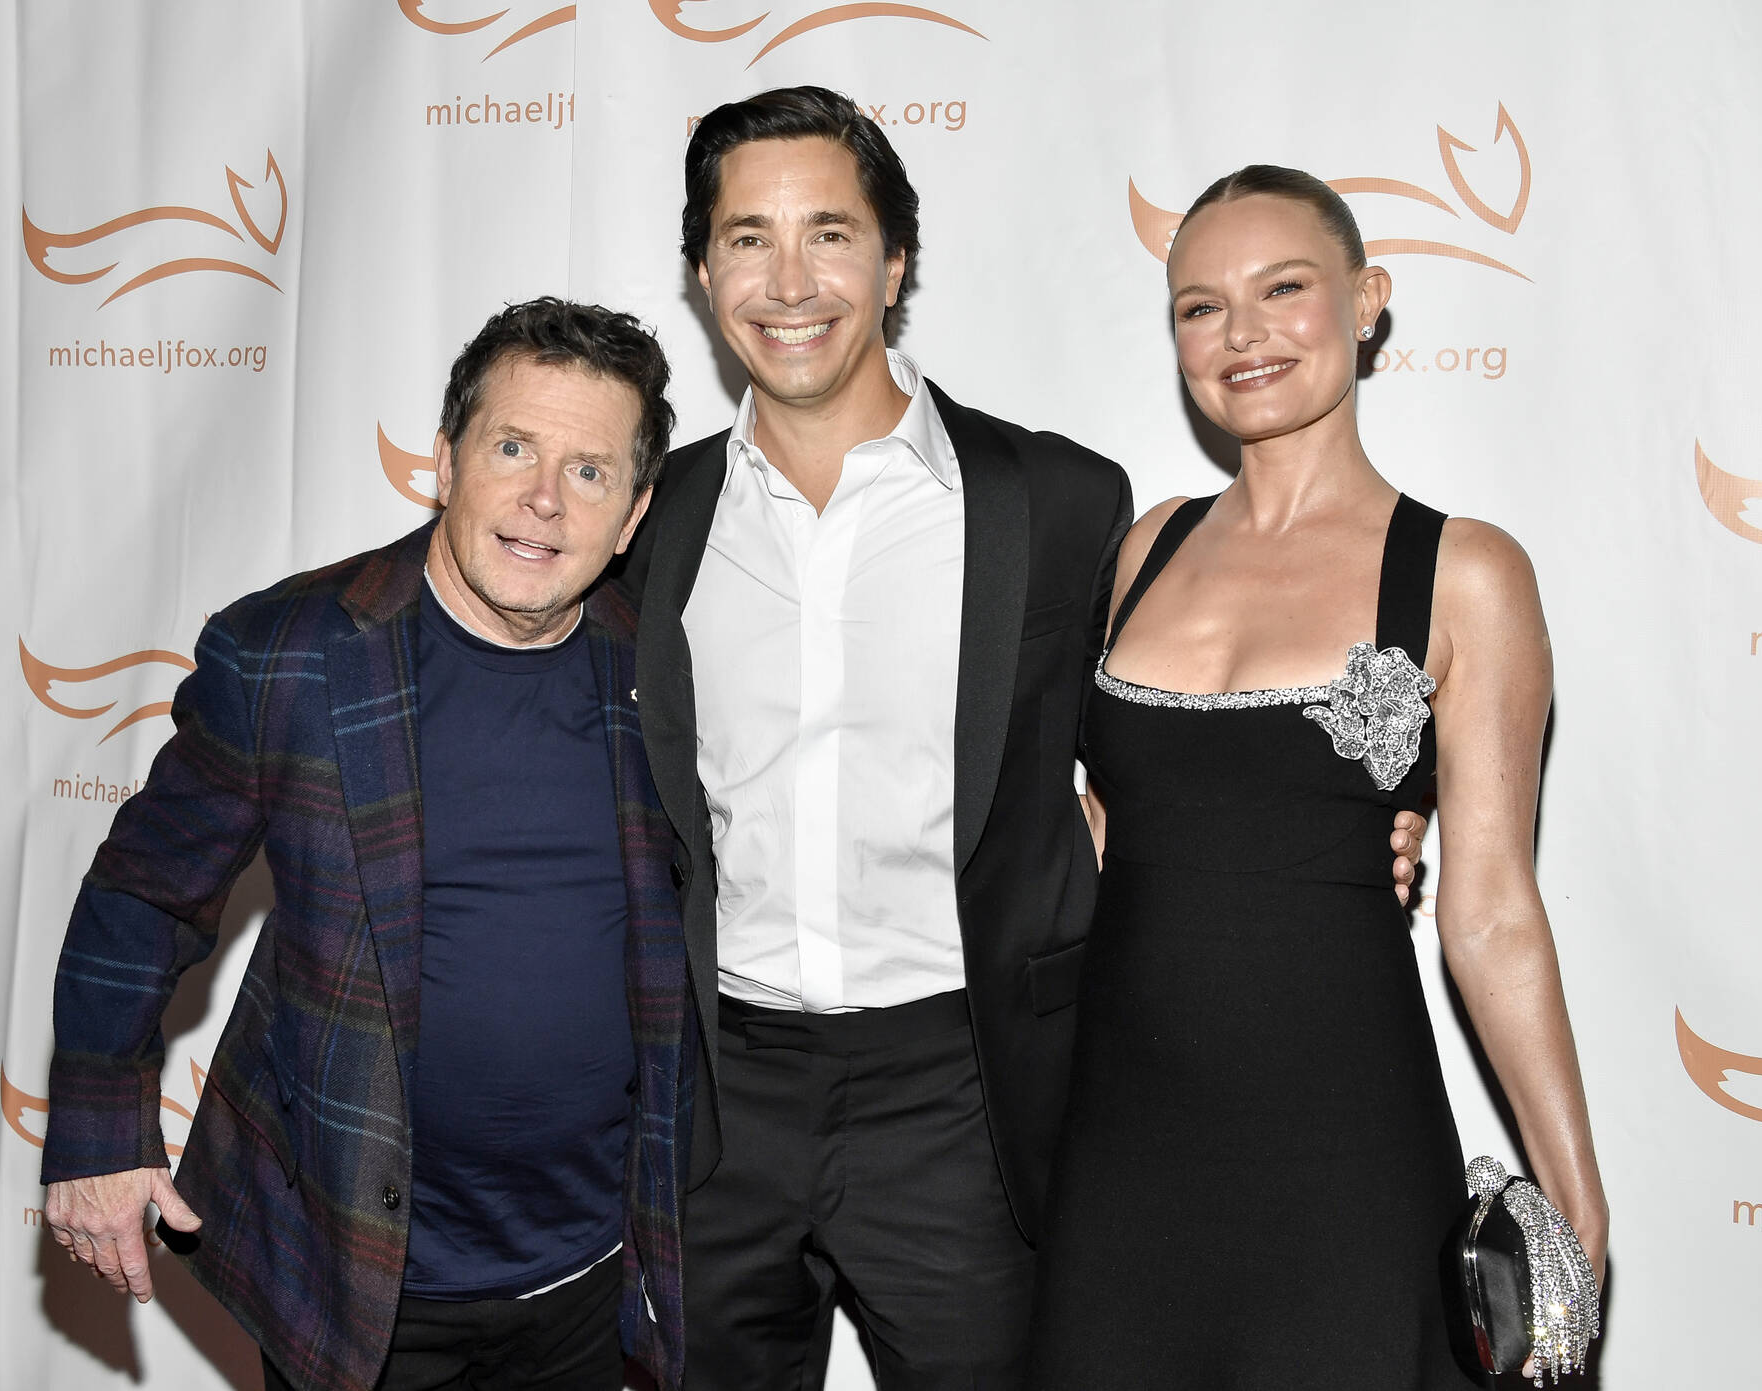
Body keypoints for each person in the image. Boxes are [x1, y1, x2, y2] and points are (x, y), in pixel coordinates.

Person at [621, 93, 1429, 1390]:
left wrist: (1371, 802)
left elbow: (1167, 738)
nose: (788, 280)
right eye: (745, 238)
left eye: (828, 233)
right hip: (718, 1093)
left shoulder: (1061, 504)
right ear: (704, 269)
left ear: (893, 261)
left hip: (966, 1096)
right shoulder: (652, 518)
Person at [38, 298, 695, 1391]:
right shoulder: (291, 653)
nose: (543, 497)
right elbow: (142, 892)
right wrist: (99, 1129)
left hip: (593, 1270)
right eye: (514, 447)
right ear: (447, 461)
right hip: (355, 1276)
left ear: (630, 517)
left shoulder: (660, 667)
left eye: (590, 472)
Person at [1024, 166, 1609, 1388]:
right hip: (1122, 1146)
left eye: (1281, 288)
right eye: (1198, 305)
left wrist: (1576, 1201)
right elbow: (1111, 822)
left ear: (1365, 300)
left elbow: (1492, 907)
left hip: (1342, 1155)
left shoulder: (1464, 573)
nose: (1239, 333)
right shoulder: (1147, 543)